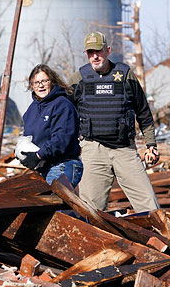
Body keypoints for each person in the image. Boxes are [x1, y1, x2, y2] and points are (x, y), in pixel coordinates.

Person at [68, 30, 160, 214]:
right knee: (90, 211)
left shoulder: (125, 75)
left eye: (99, 51)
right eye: (90, 52)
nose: (95, 56)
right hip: (93, 150)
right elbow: (63, 111)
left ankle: (160, 241)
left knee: (149, 205)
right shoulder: (79, 79)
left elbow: (143, 112)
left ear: (108, 50)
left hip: (124, 149)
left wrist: (151, 144)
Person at [17, 64, 84, 187]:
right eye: (36, 82)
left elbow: (61, 139)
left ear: (52, 82)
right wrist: (22, 152)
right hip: (44, 167)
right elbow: (29, 137)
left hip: (62, 165)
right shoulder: (32, 109)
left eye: (44, 81)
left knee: (54, 204)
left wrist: (38, 155)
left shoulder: (62, 105)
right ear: (31, 85)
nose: (40, 85)